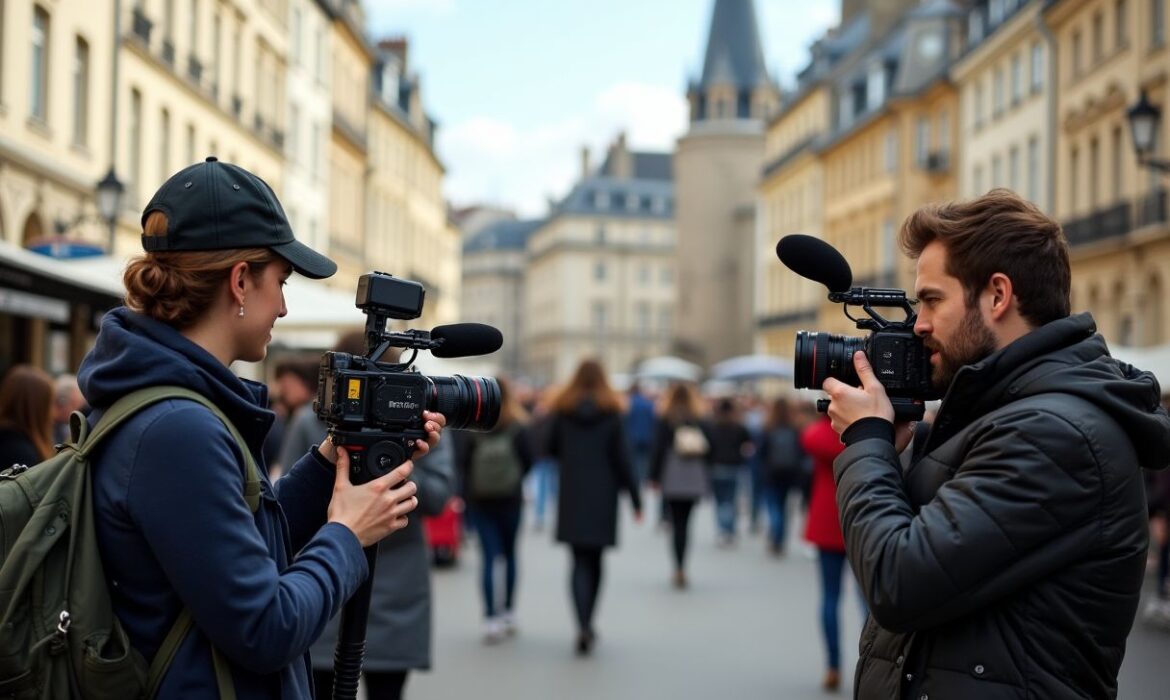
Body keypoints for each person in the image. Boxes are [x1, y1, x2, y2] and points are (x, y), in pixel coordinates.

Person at [77, 157, 442, 700]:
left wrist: (332, 456)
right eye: (281, 281)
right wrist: (347, 535)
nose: (285, 306)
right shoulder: (178, 430)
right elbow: (265, 628)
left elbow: (247, 545)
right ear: (241, 280)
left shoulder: (175, 405)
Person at [820, 189, 1170, 699]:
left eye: (932, 300)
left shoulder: (1057, 434)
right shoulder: (1003, 415)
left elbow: (900, 579)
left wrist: (866, 440)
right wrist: (892, 450)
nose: (917, 324)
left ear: (998, 296)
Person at [310, 436, 455, 700]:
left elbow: (439, 496)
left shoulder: (420, 424)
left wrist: (396, 469)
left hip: (397, 592)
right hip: (329, 586)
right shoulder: (325, 418)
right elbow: (293, 505)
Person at [546, 359, 642, 655]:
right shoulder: (611, 413)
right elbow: (623, 459)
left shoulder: (563, 411)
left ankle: (581, 624)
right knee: (596, 561)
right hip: (603, 493)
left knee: (577, 562)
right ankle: (589, 622)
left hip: (573, 492)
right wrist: (636, 499)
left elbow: (550, 447)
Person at [459, 377, 533, 644]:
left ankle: (490, 618)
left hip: (480, 500)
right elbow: (529, 461)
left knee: (489, 558)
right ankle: (509, 612)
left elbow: (464, 465)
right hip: (510, 499)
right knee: (510, 554)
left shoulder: (475, 427)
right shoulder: (518, 426)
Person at [800, 412, 862, 692]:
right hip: (864, 518)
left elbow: (811, 437)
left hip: (828, 519)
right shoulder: (866, 429)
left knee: (829, 596)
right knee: (871, 603)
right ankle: (870, 663)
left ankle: (833, 665)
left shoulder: (820, 433)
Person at [648, 382, 711, 589]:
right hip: (693, 474)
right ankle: (683, 565)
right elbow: (711, 447)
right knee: (686, 523)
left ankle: (678, 565)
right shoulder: (699, 418)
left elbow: (657, 449)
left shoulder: (666, 418)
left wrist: (654, 477)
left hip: (672, 473)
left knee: (675, 523)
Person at [756, 397, 807, 556]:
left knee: (773, 507)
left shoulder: (768, 427)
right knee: (784, 507)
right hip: (789, 473)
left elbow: (761, 452)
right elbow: (801, 452)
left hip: (771, 473)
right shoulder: (795, 428)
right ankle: (780, 539)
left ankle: (775, 536)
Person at [705, 397, 752, 546]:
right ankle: (729, 530)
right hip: (734, 466)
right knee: (730, 501)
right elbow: (749, 446)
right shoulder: (739, 427)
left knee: (720, 502)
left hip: (716, 467)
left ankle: (722, 530)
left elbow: (707, 448)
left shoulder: (712, 427)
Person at [0, 364, 55, 468]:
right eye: (50, 404)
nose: (53, 413)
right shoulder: (24, 456)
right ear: (40, 407)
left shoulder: (9, 441)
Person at [51, 372, 86, 444]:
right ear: (62, 401)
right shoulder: (46, 427)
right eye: (73, 406)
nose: (76, 412)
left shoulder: (63, 427)